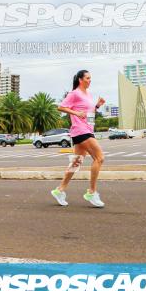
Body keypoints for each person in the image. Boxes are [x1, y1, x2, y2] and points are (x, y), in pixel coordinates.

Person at [51, 70, 106, 207]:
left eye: (90, 78)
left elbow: (88, 113)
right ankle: (92, 193)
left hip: (86, 129)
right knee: (99, 158)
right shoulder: (74, 93)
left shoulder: (87, 94)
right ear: (81, 80)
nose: (90, 80)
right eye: (87, 78)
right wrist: (75, 112)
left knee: (76, 162)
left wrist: (97, 106)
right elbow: (61, 107)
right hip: (81, 131)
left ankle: (60, 190)